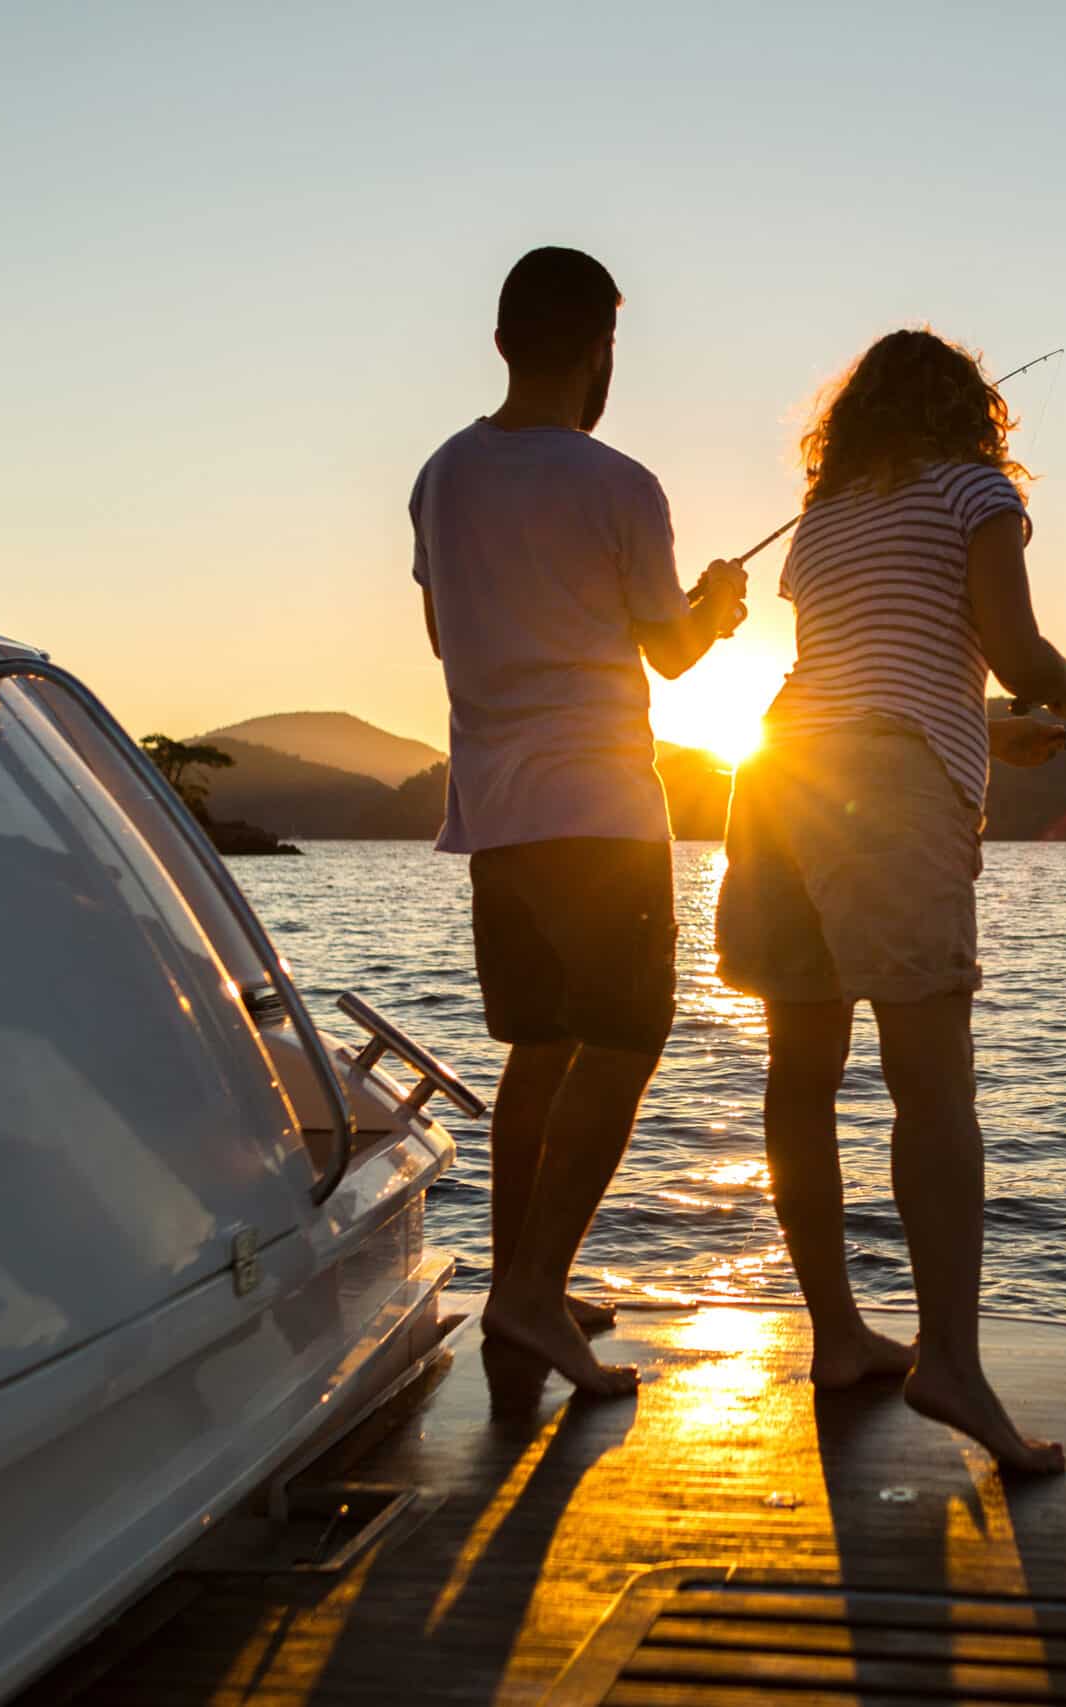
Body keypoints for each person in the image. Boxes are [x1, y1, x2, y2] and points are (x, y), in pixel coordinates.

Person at [715, 329, 1066, 1474]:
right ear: (971, 413)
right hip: (884, 785)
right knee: (932, 1088)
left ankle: (837, 1338)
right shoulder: (977, 491)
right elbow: (1013, 648)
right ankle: (952, 1367)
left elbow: (855, 674)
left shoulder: (826, 521)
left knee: (801, 1072)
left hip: (779, 777)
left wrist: (984, 730)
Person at [411, 245, 748, 1398]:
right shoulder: (620, 485)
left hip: (494, 819)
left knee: (539, 1051)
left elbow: (443, 638)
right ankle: (527, 1297)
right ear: (603, 349)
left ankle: (530, 1289)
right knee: (624, 1044)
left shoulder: (442, 475)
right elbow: (670, 648)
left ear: (502, 340)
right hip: (601, 814)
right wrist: (719, 605)